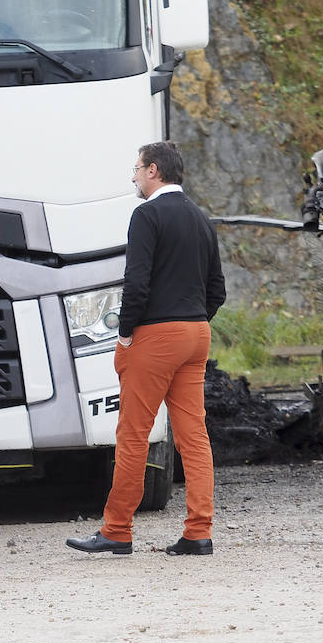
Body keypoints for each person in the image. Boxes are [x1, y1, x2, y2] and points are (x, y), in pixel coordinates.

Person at [68, 141, 226, 556]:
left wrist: (124, 336)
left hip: (155, 336)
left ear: (153, 170)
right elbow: (218, 290)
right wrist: (192, 319)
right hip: (196, 332)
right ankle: (198, 532)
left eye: (137, 169)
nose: (134, 177)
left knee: (133, 434)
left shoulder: (146, 215)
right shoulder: (201, 218)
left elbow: (135, 283)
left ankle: (117, 531)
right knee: (193, 436)